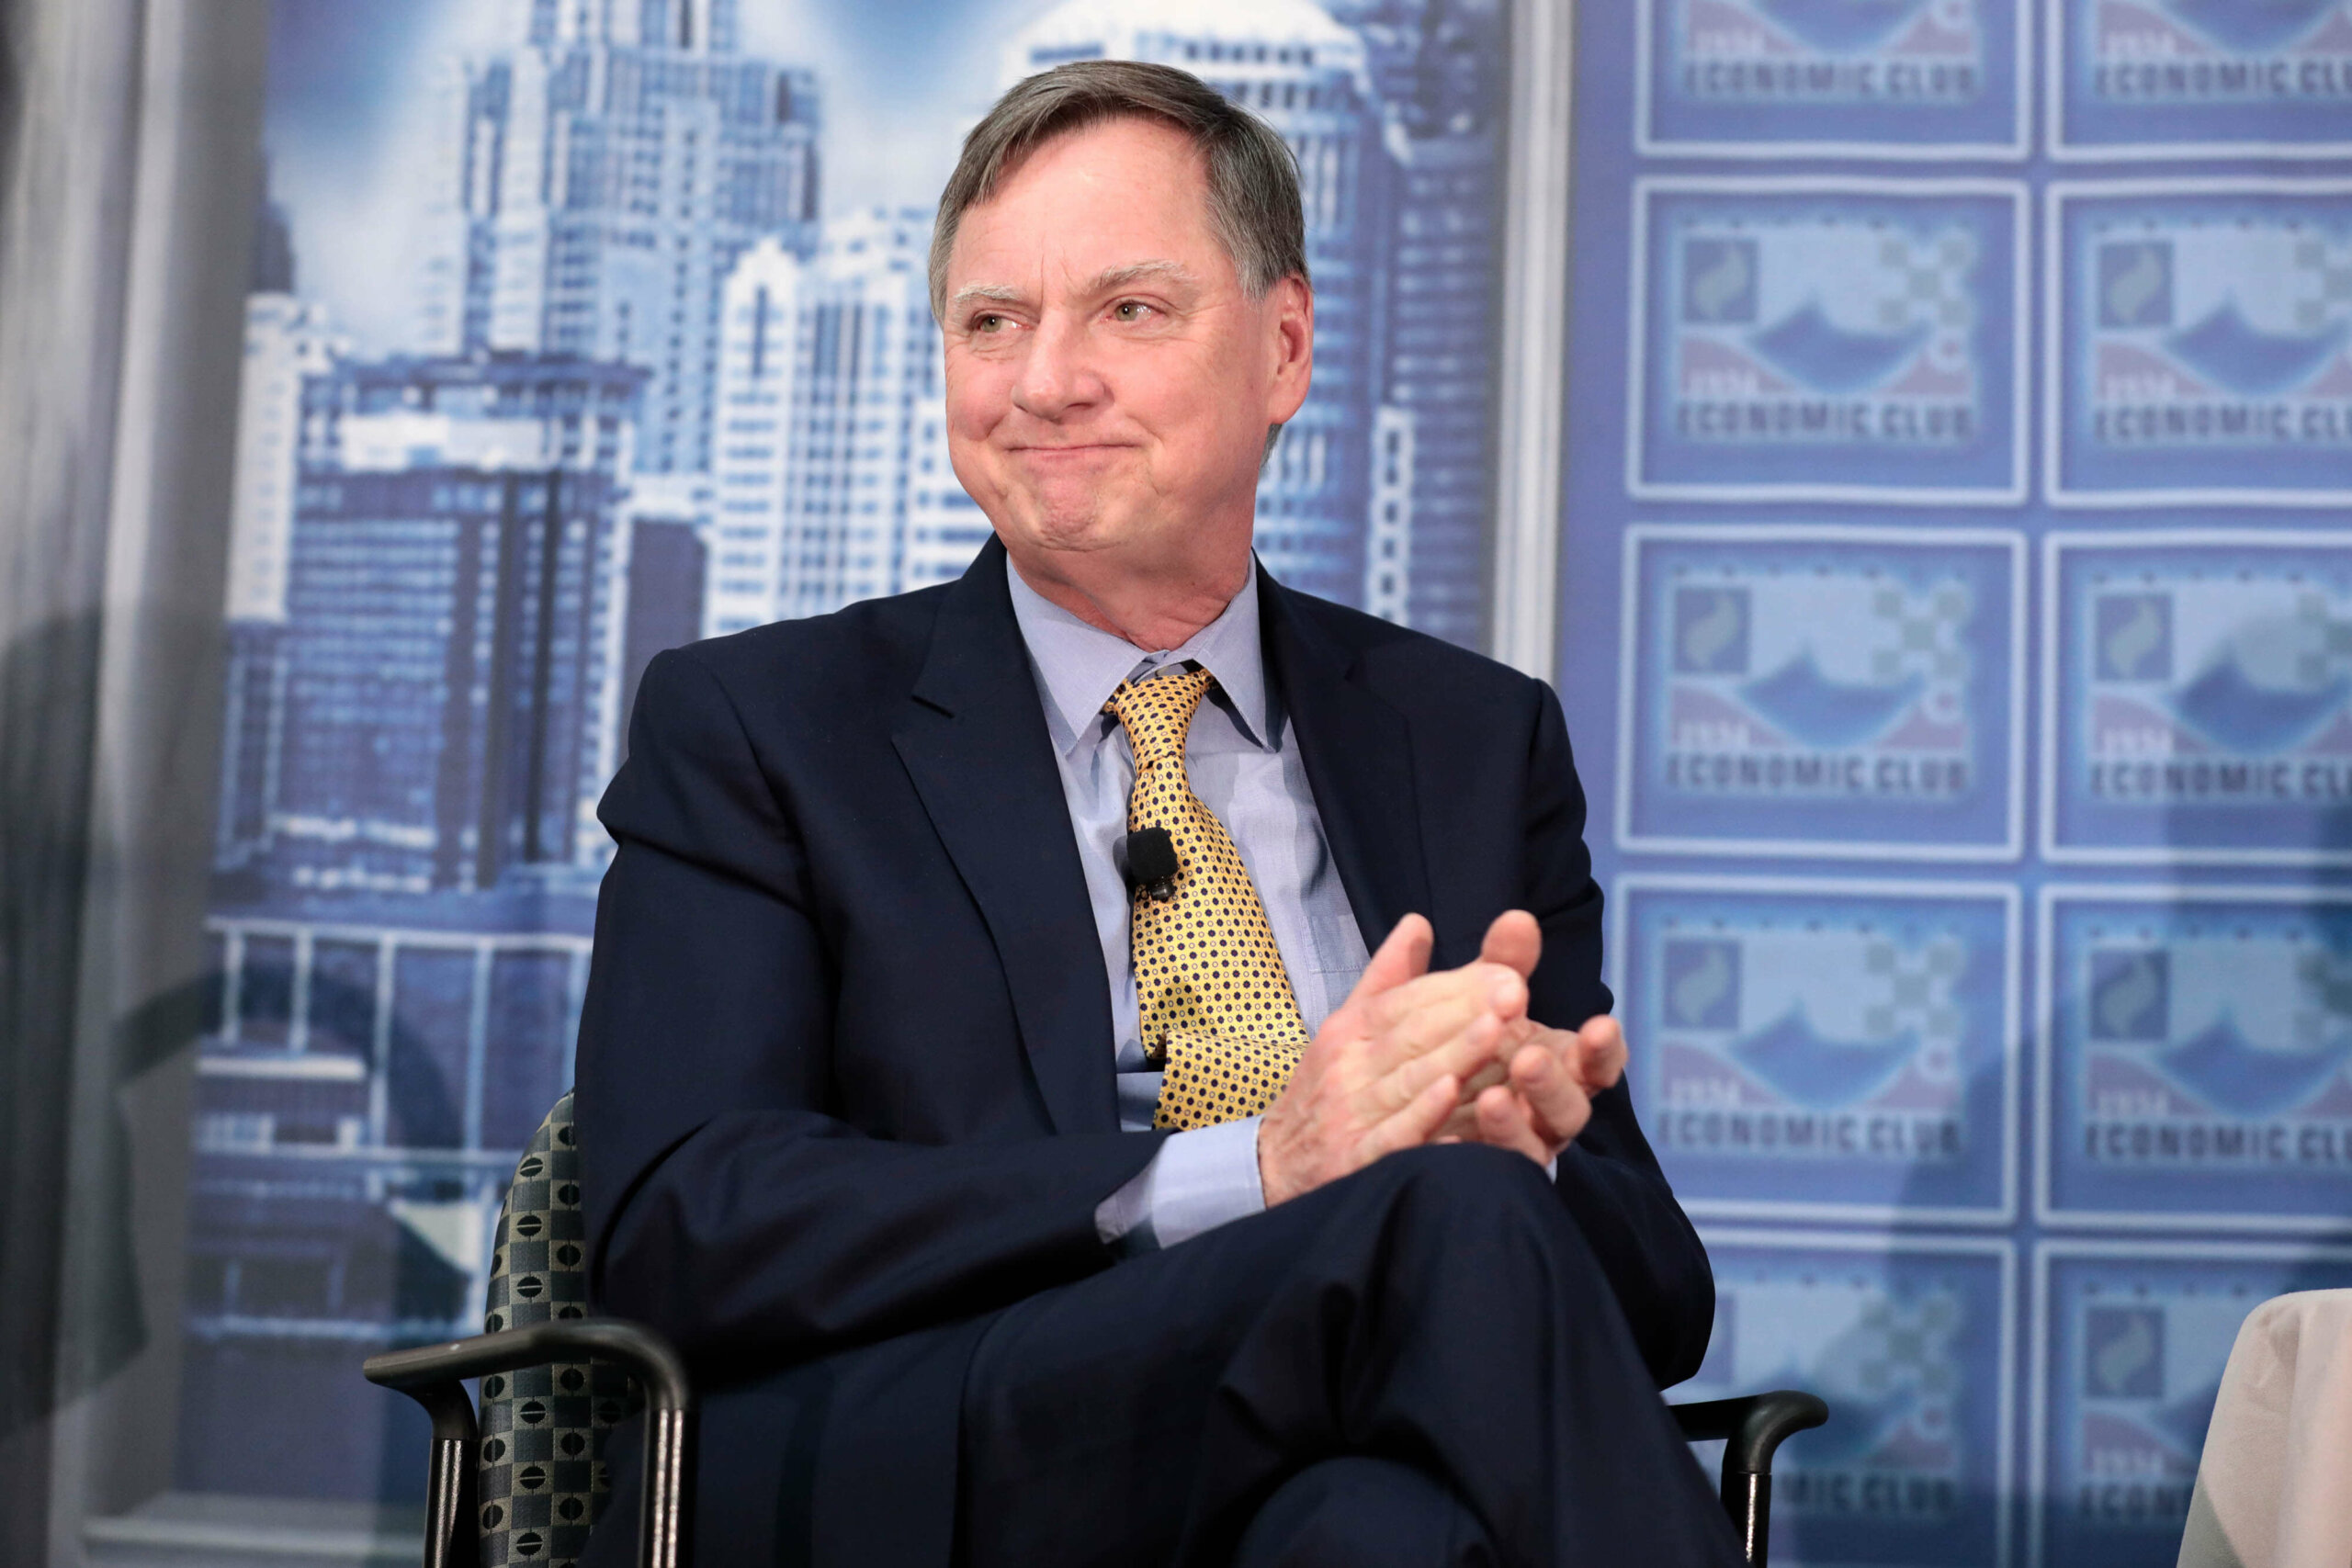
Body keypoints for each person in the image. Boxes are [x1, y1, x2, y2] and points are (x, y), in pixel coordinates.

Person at [577, 59, 1738, 1568]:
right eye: (992, 323)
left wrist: (1529, 1154)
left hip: (1326, 1441)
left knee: (1379, 1531)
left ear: (1285, 347)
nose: (1045, 381)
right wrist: (1258, 1170)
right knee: (1437, 1219)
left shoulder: (1469, 740)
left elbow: (1658, 1297)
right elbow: (681, 1221)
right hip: (940, 1451)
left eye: (1128, 310)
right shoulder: (763, 724)